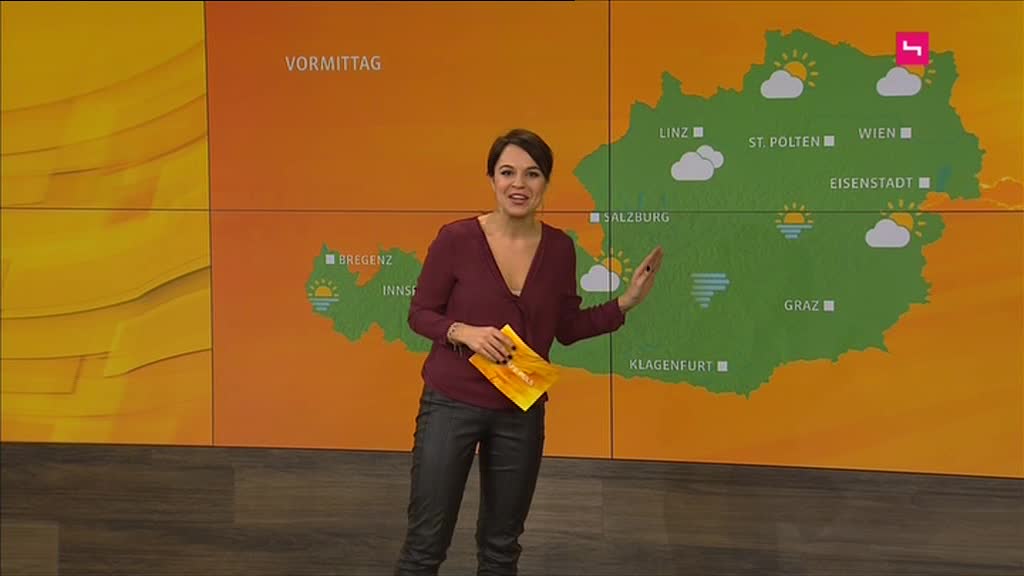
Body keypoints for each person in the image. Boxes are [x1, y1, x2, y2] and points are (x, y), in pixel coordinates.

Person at [394, 128, 663, 576]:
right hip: (451, 404)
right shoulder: (456, 239)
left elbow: (567, 328)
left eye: (532, 174)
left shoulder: (559, 249)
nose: (519, 184)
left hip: (521, 408)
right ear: (491, 179)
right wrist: (464, 332)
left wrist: (625, 303)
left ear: (546, 183)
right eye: (507, 172)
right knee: (426, 544)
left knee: (501, 549)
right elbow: (421, 314)